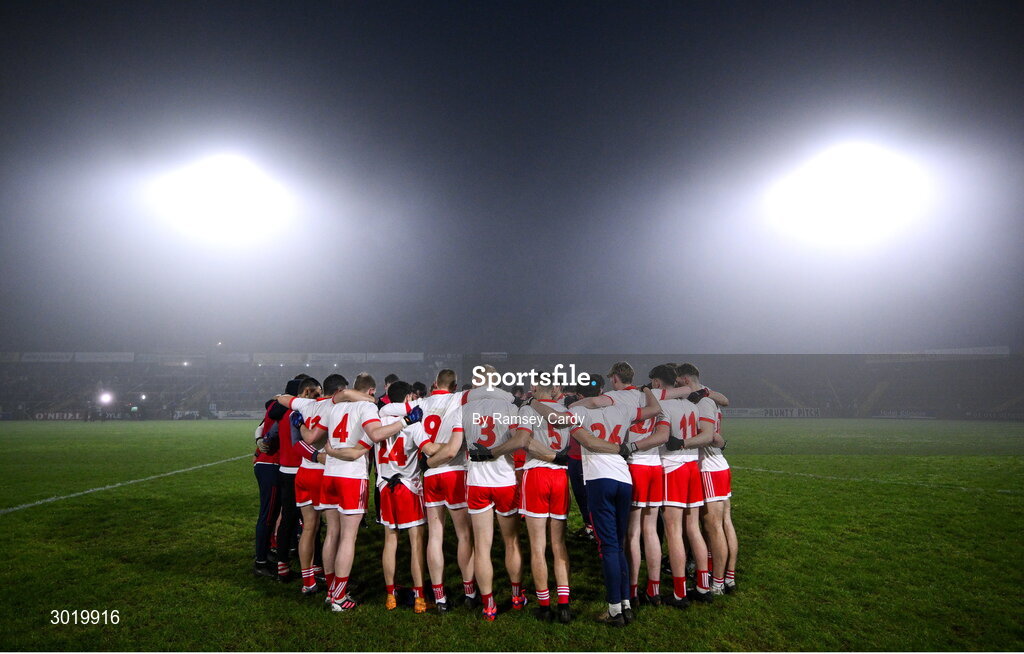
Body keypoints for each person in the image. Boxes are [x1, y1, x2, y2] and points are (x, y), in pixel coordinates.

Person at [281, 373, 417, 612]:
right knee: (347, 538)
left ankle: (331, 590)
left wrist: (300, 424)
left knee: (332, 533)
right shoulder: (366, 407)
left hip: (330, 475)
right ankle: (339, 598)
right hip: (351, 476)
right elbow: (375, 435)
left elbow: (312, 438)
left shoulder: (334, 408)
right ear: (370, 392)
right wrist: (406, 422)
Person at [527, 394, 637, 627]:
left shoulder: (580, 414)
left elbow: (557, 420)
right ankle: (626, 604)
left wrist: (532, 403)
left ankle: (615, 610)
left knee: (607, 546)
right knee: (618, 545)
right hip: (624, 477)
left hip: (599, 479)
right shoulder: (620, 410)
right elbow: (653, 410)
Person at [645, 364, 717, 607]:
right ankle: (703, 586)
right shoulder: (691, 405)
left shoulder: (661, 403)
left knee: (674, 533)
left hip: (673, 469)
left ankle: (679, 593)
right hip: (692, 468)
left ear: (657, 382)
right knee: (693, 529)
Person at [507, 379, 575, 623]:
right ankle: (564, 605)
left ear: (535, 389)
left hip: (536, 474)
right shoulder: (566, 411)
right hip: (559, 477)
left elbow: (524, 442)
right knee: (559, 544)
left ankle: (545, 605)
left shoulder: (526, 409)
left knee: (538, 546)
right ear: (554, 389)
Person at [278, 374, 348, 595]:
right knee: (334, 531)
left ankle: (308, 581)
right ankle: (334, 582)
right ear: (338, 392)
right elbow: (308, 440)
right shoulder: (333, 407)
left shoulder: (304, 404)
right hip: (323, 474)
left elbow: (281, 399)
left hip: (303, 474)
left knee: (309, 529)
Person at [462, 381, 523, 621]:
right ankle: (517, 596)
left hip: (477, 481)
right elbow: (519, 443)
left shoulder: (465, 409)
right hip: (505, 479)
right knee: (512, 542)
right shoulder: (511, 408)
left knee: (482, 546)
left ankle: (488, 605)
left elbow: (457, 445)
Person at [675, 363, 735, 596]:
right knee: (718, 525)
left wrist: (681, 442)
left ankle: (718, 583)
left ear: (686, 379)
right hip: (714, 466)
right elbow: (725, 401)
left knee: (713, 527)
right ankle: (724, 577)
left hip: (709, 468)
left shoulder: (703, 401)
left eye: (678, 380)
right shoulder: (704, 394)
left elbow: (710, 436)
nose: (676, 384)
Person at [375, 381, 431, 613]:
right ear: (408, 397)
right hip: (408, 485)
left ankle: (391, 595)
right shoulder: (412, 423)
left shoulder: (378, 420)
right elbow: (430, 450)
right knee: (416, 543)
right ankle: (419, 597)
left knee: (390, 541)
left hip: (384, 486)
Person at [252, 399, 282, 578]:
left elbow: (261, 426)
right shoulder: (284, 406)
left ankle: (267, 552)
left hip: (270, 464)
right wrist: (262, 440)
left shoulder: (277, 405)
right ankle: (260, 562)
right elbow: (270, 426)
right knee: (267, 515)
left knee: (272, 514)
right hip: (270, 464)